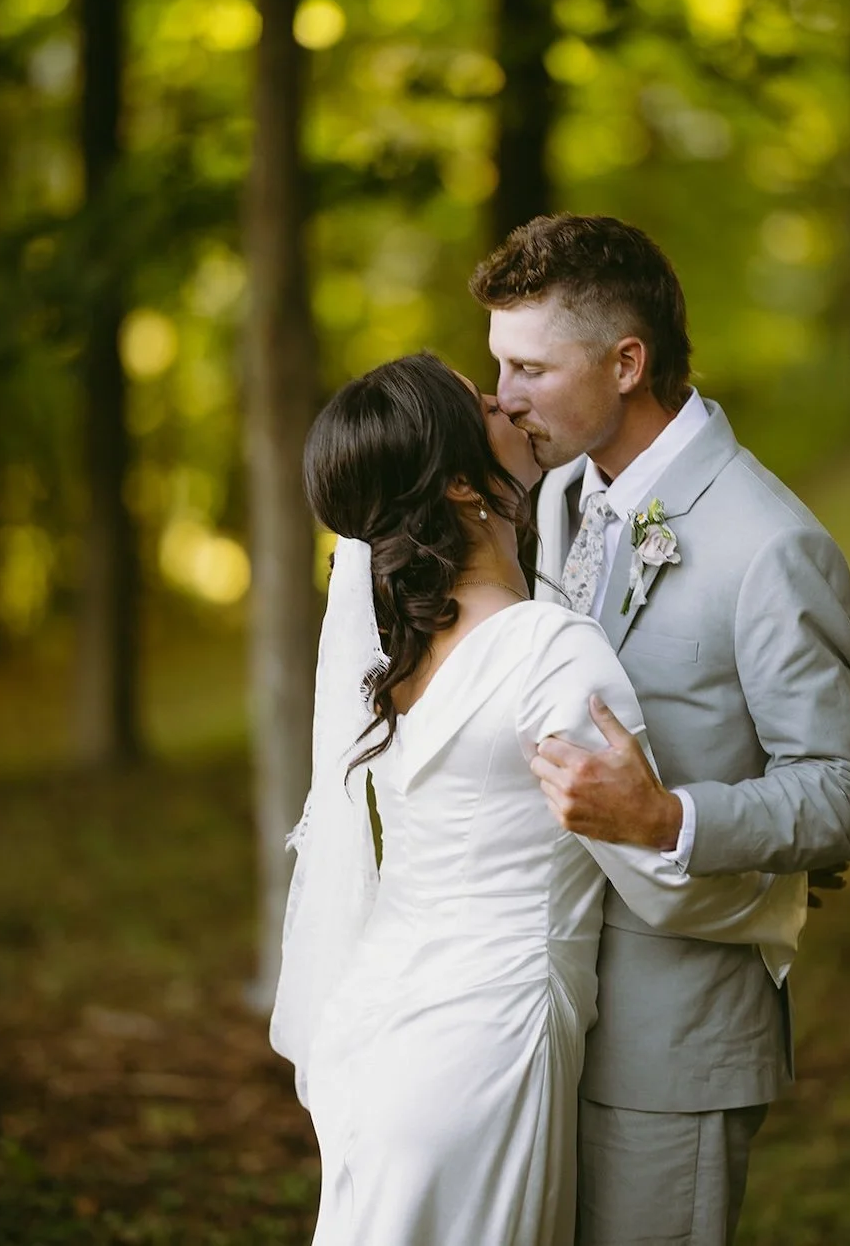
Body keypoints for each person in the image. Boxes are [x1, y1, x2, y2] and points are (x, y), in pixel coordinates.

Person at [270, 351, 806, 1246]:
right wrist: (778, 887)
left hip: (379, 1031)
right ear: (456, 488)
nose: (505, 402)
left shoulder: (395, 654)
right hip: (486, 1046)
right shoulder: (550, 651)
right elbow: (656, 874)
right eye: (482, 403)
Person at [470, 213, 850, 1246]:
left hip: (676, 1033)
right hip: (547, 1009)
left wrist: (668, 820)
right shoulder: (566, 494)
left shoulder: (770, 543)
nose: (503, 397)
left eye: (528, 367)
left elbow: (847, 791)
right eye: (497, 365)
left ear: (625, 362)